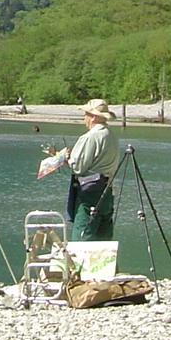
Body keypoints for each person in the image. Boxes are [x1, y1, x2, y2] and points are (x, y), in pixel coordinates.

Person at [58, 98, 120, 241]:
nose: (84, 118)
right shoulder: (110, 135)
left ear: (93, 117)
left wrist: (63, 159)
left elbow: (78, 167)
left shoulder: (90, 137)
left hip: (90, 191)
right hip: (107, 190)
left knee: (82, 238)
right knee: (103, 240)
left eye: (86, 114)